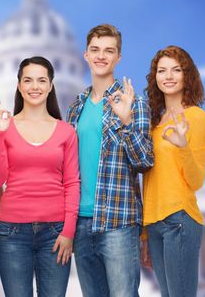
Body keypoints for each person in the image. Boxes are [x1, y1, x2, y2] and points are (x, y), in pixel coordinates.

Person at [66, 24, 154, 297]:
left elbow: (145, 161)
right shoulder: (75, 106)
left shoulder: (134, 102)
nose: (101, 56)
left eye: (109, 51)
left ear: (118, 58)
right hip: (81, 222)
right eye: (95, 50)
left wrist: (126, 120)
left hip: (118, 220)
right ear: (85, 55)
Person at [0, 56, 80, 297]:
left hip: (56, 232)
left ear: (51, 86)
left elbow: (72, 183)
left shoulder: (66, 131)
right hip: (12, 232)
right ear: (19, 86)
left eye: (41, 80)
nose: (35, 87)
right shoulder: (4, 127)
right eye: (28, 80)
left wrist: (69, 231)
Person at [141, 45, 205, 297]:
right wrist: (145, 233)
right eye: (162, 70)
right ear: (155, 77)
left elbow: (196, 180)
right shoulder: (154, 124)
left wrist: (183, 147)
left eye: (176, 70)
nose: (168, 76)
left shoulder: (196, 118)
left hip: (179, 220)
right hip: (155, 224)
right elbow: (148, 180)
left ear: (186, 75)